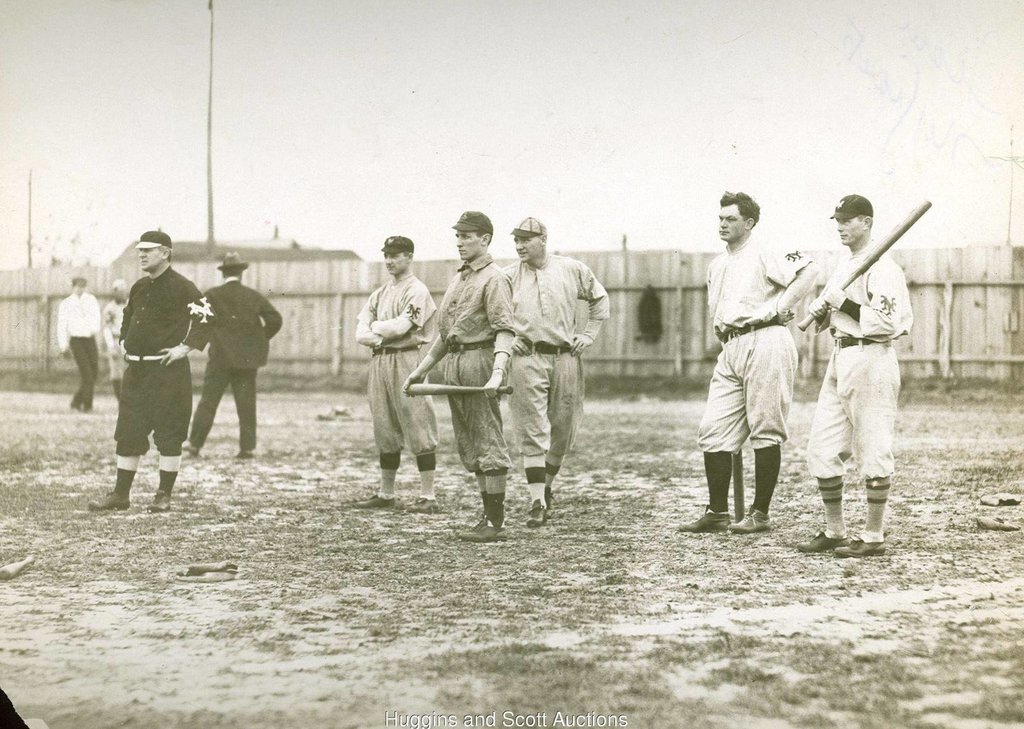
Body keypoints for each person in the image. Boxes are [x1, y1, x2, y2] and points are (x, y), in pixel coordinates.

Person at [680, 191, 818, 534]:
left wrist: (782, 304)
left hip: (766, 338)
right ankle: (717, 512)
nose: (723, 224)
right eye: (721, 218)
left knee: (765, 427)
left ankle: (760, 513)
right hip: (732, 346)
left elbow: (809, 270)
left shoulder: (767, 249)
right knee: (712, 431)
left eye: (731, 219)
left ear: (749, 223)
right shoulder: (718, 263)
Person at [799, 195, 913, 557]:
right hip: (841, 354)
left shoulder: (883, 268)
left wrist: (841, 304)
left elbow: (885, 323)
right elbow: (837, 310)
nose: (840, 226)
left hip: (871, 357)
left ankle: (874, 536)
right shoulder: (847, 264)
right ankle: (835, 530)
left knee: (874, 446)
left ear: (866, 222)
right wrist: (822, 312)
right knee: (823, 446)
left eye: (848, 220)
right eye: (838, 220)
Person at [403, 211, 515, 543]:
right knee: (470, 442)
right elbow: (444, 334)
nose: (460, 242)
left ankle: (495, 522)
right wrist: (420, 371)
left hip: (480, 362)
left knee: (488, 439)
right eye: (458, 236)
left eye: (467, 236)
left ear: (486, 239)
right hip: (454, 363)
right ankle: (486, 517)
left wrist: (497, 374)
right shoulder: (460, 278)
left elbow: (505, 331)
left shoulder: (495, 278)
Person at [87, 231, 213, 514]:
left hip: (167, 371)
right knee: (129, 430)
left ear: (166, 253)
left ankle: (163, 495)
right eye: (140, 250)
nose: (141, 254)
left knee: (169, 432)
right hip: (136, 370)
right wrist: (123, 340)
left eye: (148, 250)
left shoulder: (184, 287)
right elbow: (129, 316)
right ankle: (120, 495)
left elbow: (206, 317)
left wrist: (186, 347)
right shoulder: (139, 287)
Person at [504, 217, 609, 527]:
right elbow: (493, 317)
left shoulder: (570, 269)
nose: (520, 245)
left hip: (565, 357)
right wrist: (510, 342)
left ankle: (546, 488)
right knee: (532, 429)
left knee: (562, 430)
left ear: (543, 239)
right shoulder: (508, 276)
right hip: (526, 359)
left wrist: (588, 334)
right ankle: (536, 501)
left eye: (527, 239)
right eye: (517, 240)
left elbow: (599, 299)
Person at [353, 236, 440, 513]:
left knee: (417, 421)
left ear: (409, 256)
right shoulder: (379, 293)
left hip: (406, 360)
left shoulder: (417, 290)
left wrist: (376, 328)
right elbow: (359, 332)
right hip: (380, 361)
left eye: (396, 255)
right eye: (387, 255)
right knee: (384, 424)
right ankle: (386, 493)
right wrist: (379, 336)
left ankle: (428, 495)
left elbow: (401, 327)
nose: (390, 260)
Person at [186, 252, 282, 459]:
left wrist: (212, 336)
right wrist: (260, 339)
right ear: (241, 273)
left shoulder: (211, 295)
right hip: (247, 361)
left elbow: (197, 319)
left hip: (220, 358)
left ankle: (194, 445)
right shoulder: (253, 296)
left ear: (224, 273)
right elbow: (275, 320)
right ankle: (247, 448)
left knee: (208, 402)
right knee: (246, 404)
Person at [57, 276, 101, 412]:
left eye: (83, 286)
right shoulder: (66, 303)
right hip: (76, 341)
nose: (80, 289)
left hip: (89, 339)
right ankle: (87, 406)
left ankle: (76, 401)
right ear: (73, 287)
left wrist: (94, 329)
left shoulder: (91, 300)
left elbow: (96, 318)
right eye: (77, 286)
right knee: (87, 374)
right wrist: (63, 346)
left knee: (94, 372)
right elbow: (61, 325)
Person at [101, 279, 129, 400]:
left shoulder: (130, 305)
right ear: (114, 292)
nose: (121, 293)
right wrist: (111, 346)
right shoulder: (109, 309)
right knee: (116, 372)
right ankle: (120, 400)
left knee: (131, 371)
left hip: (129, 341)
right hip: (116, 340)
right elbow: (107, 328)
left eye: (123, 290)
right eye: (118, 290)